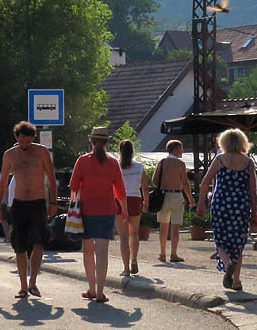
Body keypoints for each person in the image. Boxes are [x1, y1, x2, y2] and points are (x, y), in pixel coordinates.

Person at [0, 121, 58, 299]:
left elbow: (52, 179)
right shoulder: (9, 155)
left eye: (28, 142)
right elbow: (2, 183)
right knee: (19, 246)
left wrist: (52, 202)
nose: (25, 145)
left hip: (38, 203)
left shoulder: (41, 152)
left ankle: (33, 282)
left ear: (33, 139)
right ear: (17, 138)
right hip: (19, 204)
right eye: (22, 141)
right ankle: (23, 286)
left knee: (39, 242)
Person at [69, 126, 127, 303]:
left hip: (86, 211)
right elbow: (120, 190)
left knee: (88, 251)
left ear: (91, 141)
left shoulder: (82, 161)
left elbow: (73, 187)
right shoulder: (112, 163)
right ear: (107, 142)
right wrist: (124, 208)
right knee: (102, 252)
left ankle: (91, 288)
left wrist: (74, 207)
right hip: (107, 211)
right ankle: (101, 292)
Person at [197, 129, 257, 290]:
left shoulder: (220, 159)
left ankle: (227, 263)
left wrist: (201, 204)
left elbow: (205, 182)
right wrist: (254, 212)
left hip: (221, 203)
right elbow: (253, 190)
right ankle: (236, 281)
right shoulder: (248, 162)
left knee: (221, 240)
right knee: (238, 243)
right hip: (241, 205)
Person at [153, 140, 195, 263]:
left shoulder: (162, 162)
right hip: (176, 195)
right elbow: (186, 183)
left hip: (163, 196)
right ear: (175, 149)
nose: (183, 151)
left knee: (163, 226)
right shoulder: (180, 164)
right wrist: (190, 198)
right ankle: (173, 254)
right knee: (175, 227)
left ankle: (162, 253)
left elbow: (154, 181)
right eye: (181, 148)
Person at [115, 139, 149, 276]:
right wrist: (146, 203)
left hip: (119, 200)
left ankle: (125, 268)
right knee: (134, 233)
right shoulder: (139, 167)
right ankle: (134, 259)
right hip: (135, 199)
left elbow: (112, 187)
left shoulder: (117, 167)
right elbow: (145, 188)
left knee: (123, 236)